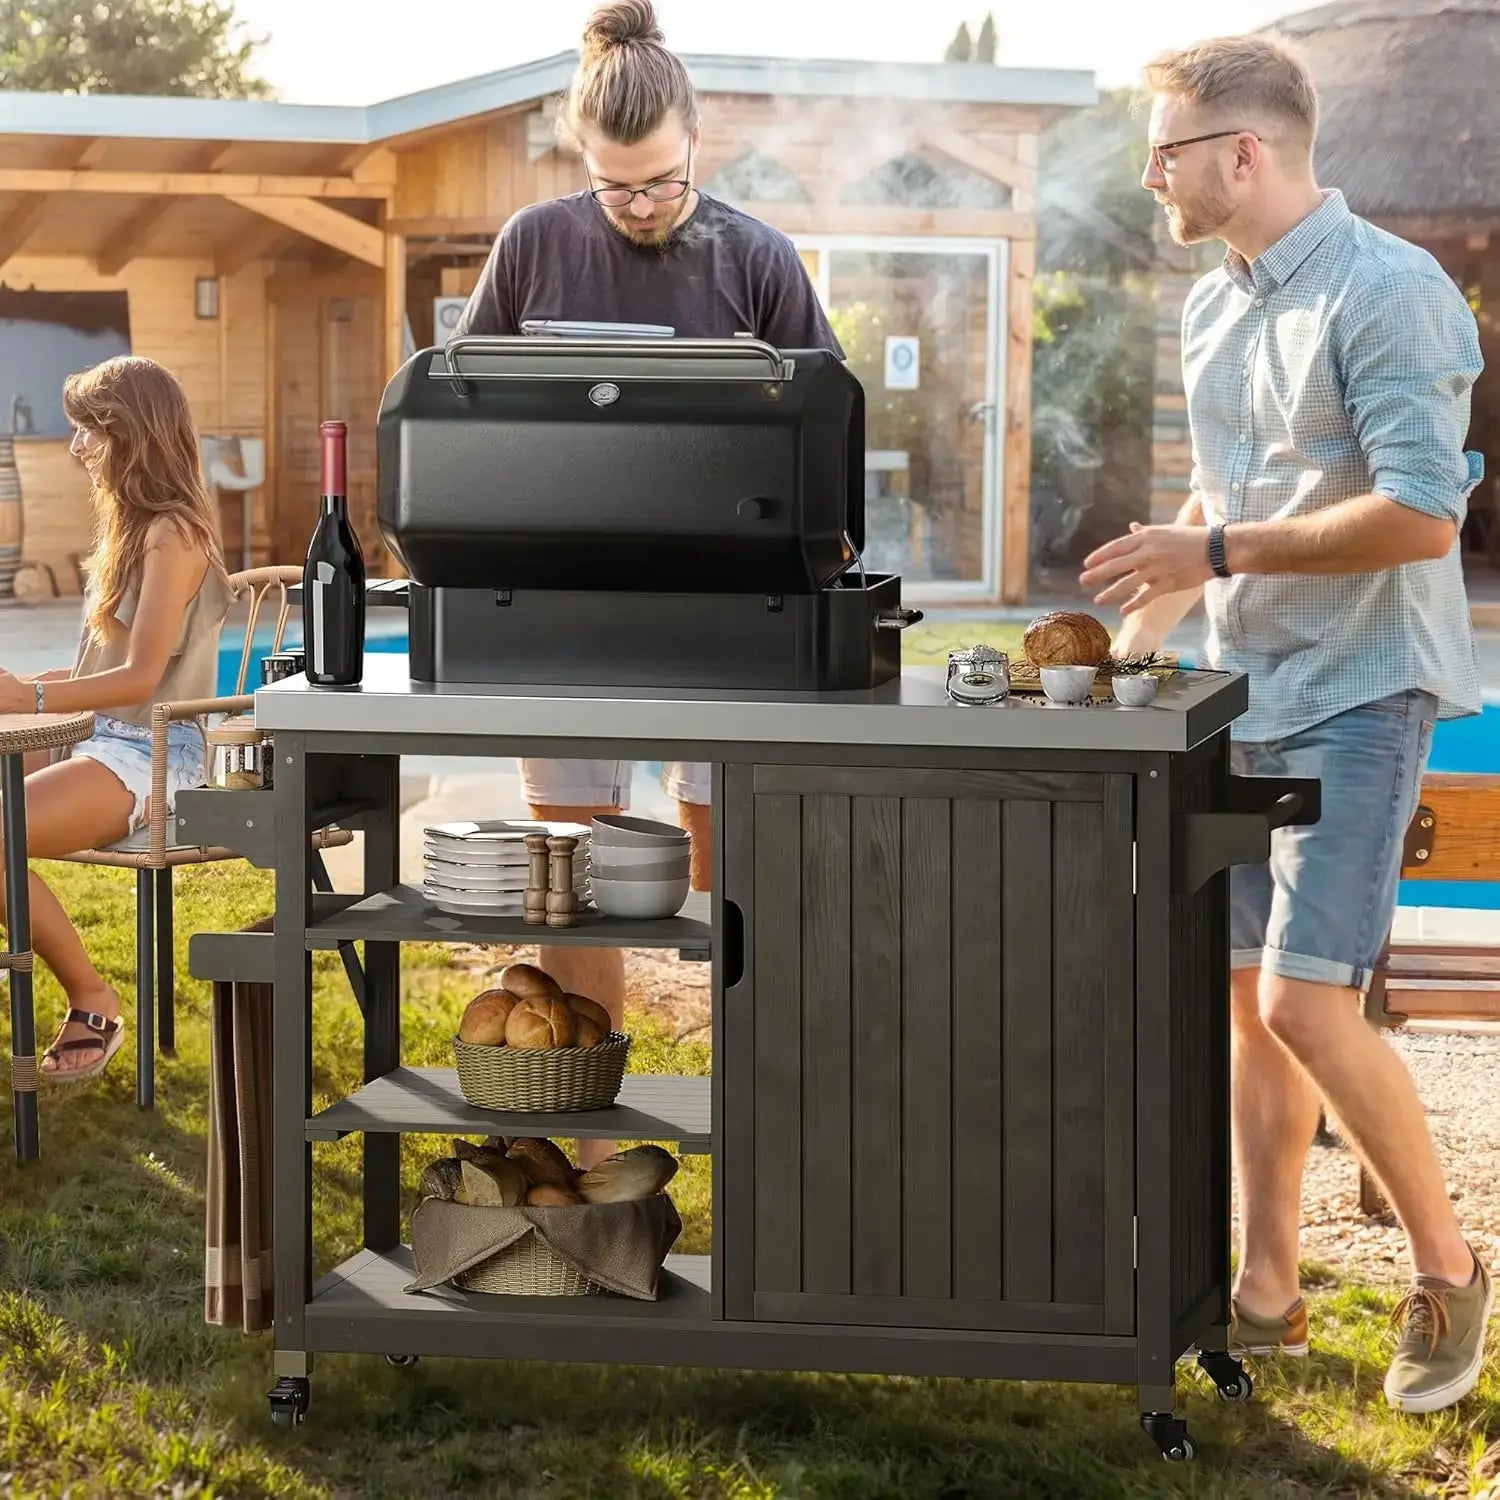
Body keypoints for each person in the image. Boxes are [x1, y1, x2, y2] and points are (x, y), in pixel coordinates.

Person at [1080, 33, 1493, 1413]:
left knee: (1305, 999)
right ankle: (1271, 1290)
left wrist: (1219, 560)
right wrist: (1123, 644)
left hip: (1366, 694)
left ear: (1242, 154)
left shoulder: (1396, 293)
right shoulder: (1214, 308)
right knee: (1253, 1014)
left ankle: (1449, 1269)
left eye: (1170, 151)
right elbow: (1212, 502)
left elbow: (1425, 513)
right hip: (1247, 692)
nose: (1151, 175)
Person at [455, 0, 842, 1164]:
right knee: (575, 881)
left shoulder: (759, 258)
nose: (639, 209)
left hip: (731, 623)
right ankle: (580, 1150)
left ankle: (753, 1136)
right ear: (582, 164)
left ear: (697, 144)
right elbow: (458, 408)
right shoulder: (532, 245)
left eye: (661, 184)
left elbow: (825, 428)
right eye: (615, 188)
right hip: (567, 615)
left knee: (725, 885)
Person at [2, 356, 232, 1081]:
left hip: (153, 755)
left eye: (87, 432)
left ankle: (92, 999)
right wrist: (25, 686)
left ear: (130, 433)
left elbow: (139, 679)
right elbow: (99, 672)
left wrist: (30, 700)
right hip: (105, 737)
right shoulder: (131, 531)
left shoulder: (173, 534)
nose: (76, 448)